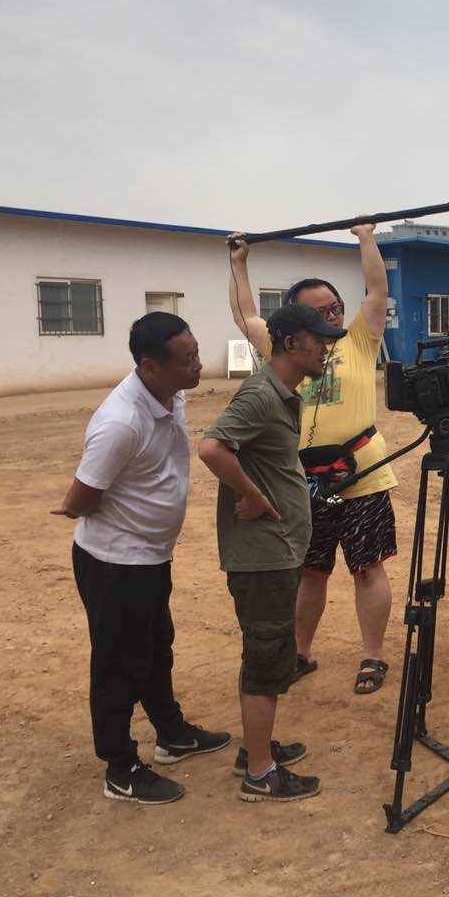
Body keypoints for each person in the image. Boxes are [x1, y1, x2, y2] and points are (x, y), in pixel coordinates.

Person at [52, 312, 230, 805]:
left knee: (155, 648)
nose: (198, 365)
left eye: (196, 353)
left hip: (151, 556)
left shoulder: (171, 393)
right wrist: (81, 510)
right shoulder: (120, 422)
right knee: (118, 664)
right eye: (187, 360)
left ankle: (172, 734)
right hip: (115, 563)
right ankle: (120, 768)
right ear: (150, 366)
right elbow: (81, 499)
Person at [227, 224, 397, 694]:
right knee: (310, 571)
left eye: (335, 307)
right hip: (303, 481)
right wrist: (239, 262)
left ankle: (373, 656)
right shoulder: (282, 348)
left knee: (368, 567)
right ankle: (300, 653)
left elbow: (377, 291)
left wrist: (366, 238)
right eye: (320, 312)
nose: (333, 315)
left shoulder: (358, 338)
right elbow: (245, 314)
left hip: (362, 474)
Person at [198, 303, 347, 801]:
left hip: (276, 551)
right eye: (318, 340)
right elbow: (212, 448)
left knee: (269, 653)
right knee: (265, 659)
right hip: (262, 556)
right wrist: (255, 496)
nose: (325, 349)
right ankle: (260, 775)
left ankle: (255, 748)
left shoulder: (282, 394)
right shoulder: (262, 394)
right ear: (290, 343)